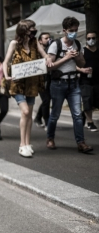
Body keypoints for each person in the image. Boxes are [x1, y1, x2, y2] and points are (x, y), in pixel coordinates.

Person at [4, 19, 52, 158]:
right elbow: (6, 61)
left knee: (29, 114)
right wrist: (7, 76)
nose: (34, 31)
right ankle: (21, 144)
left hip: (32, 83)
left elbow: (44, 54)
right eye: (31, 29)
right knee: (25, 111)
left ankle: (27, 143)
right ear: (24, 30)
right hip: (18, 83)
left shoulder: (34, 42)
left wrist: (48, 58)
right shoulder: (14, 43)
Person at [46, 17, 92, 153]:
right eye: (71, 30)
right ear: (64, 31)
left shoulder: (77, 43)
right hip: (58, 83)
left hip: (74, 83)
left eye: (76, 30)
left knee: (78, 115)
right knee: (55, 114)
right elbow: (49, 67)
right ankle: (50, 138)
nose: (74, 33)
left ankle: (81, 143)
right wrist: (66, 57)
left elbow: (82, 64)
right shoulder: (55, 45)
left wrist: (76, 57)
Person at [78, 30, 98, 132]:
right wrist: (81, 70)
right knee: (87, 100)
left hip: (97, 81)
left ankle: (84, 115)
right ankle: (90, 122)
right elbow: (75, 64)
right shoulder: (83, 51)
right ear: (86, 40)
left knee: (95, 102)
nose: (91, 40)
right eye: (89, 38)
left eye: (93, 38)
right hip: (85, 80)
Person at [33, 32, 53, 129]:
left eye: (49, 38)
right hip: (39, 80)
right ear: (40, 41)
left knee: (47, 99)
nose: (48, 40)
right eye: (46, 38)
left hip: (48, 79)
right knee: (46, 100)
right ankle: (47, 122)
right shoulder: (36, 52)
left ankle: (37, 117)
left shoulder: (50, 50)